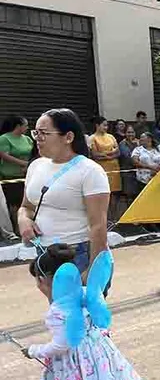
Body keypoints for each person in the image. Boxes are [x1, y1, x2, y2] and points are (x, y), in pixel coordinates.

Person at [21, 244, 144, 380]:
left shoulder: (58, 311)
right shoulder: (86, 292)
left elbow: (61, 345)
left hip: (74, 362)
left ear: (45, 280)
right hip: (97, 350)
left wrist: (34, 350)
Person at [19, 109, 109, 272]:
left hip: (77, 253)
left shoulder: (89, 171)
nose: (38, 139)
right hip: (44, 252)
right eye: (36, 132)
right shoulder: (35, 166)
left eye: (44, 133)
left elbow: (98, 225)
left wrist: (93, 270)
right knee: (55, 298)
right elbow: (26, 206)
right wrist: (23, 220)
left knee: (79, 298)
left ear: (68, 137)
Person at [0, 115, 34, 235]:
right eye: (25, 125)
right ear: (18, 126)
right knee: (14, 205)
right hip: (10, 177)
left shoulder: (27, 139)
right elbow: (4, 155)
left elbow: (32, 153)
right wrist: (23, 163)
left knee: (27, 202)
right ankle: (17, 229)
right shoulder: (4, 139)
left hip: (26, 175)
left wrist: (30, 165)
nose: (27, 128)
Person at [88, 116, 121, 219]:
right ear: (97, 125)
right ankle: (103, 218)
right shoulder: (92, 138)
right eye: (104, 125)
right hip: (101, 168)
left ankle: (114, 218)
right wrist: (109, 154)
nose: (106, 127)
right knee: (103, 194)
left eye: (107, 125)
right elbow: (95, 154)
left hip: (114, 167)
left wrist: (105, 154)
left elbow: (118, 152)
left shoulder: (111, 137)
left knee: (114, 194)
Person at [117, 124, 140, 203]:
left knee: (139, 196)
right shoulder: (122, 144)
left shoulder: (140, 142)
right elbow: (128, 156)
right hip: (127, 173)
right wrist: (135, 146)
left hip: (139, 172)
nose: (130, 134)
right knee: (129, 196)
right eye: (128, 132)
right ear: (125, 133)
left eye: (132, 132)